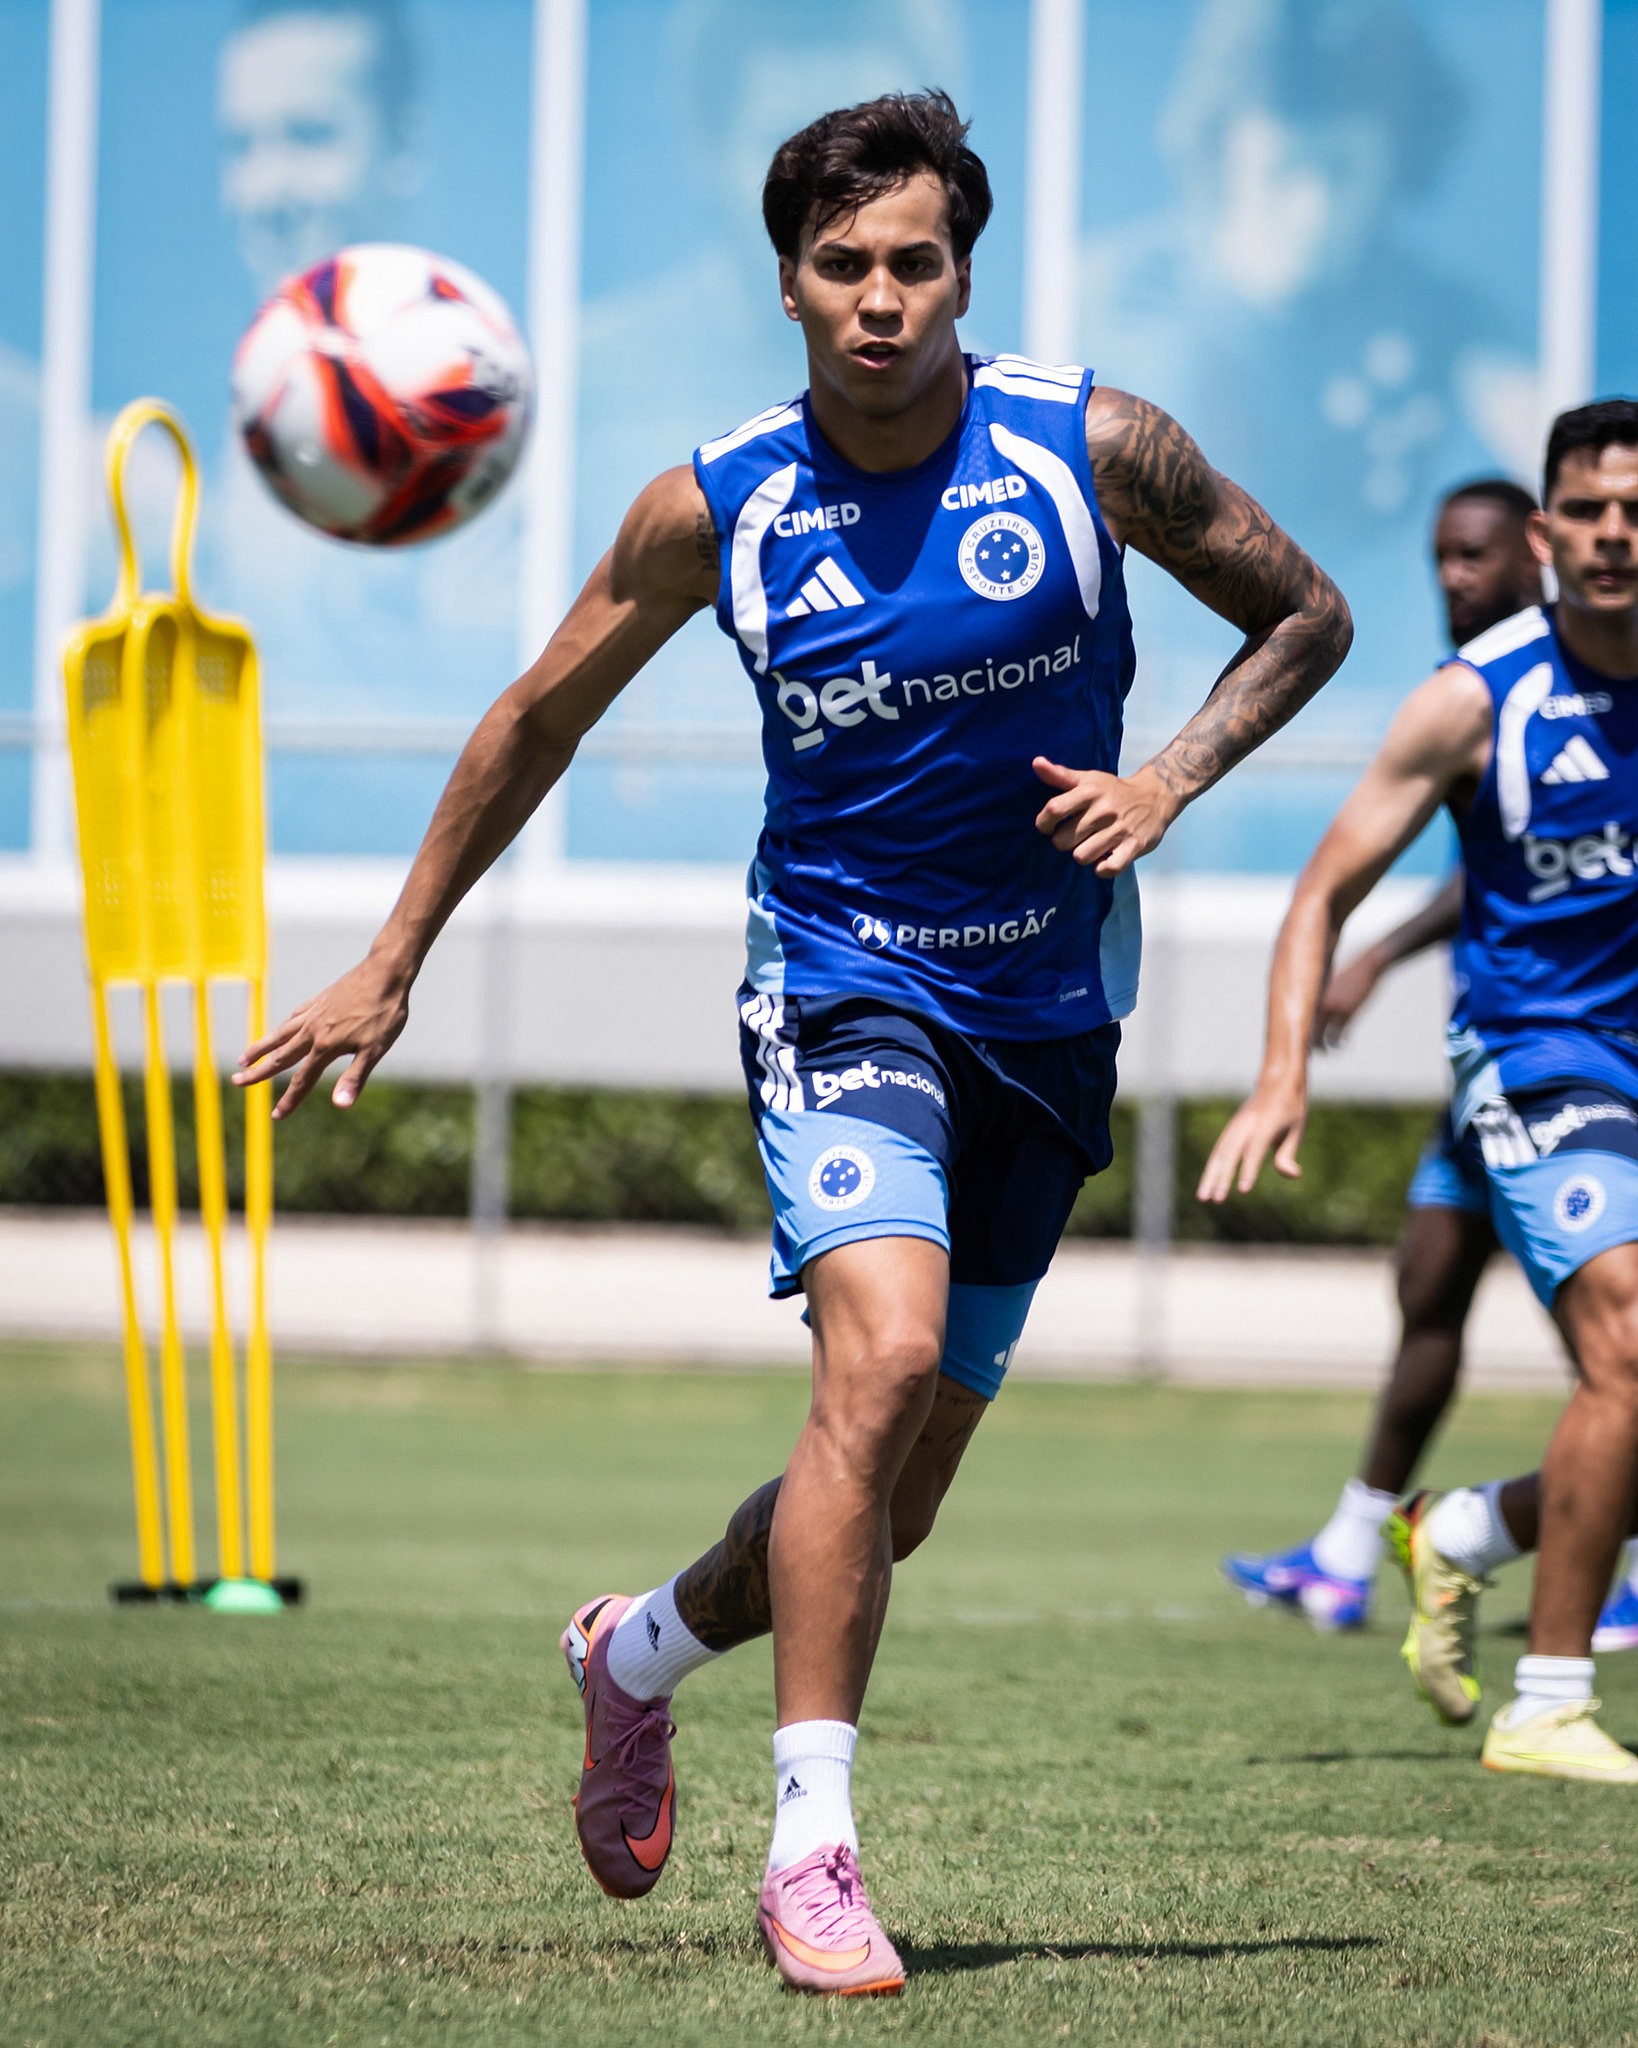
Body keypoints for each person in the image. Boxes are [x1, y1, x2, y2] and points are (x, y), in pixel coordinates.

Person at [235, 94, 1350, 1987]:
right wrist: (393, 953)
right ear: (786, 282)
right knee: (882, 1355)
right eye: (843, 265)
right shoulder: (719, 499)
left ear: (959, 274)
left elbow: (1305, 614)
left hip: (1048, 1003)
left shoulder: (1094, 446)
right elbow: (532, 718)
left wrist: (1166, 776)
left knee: (888, 1481)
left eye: (914, 262)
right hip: (837, 980)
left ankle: (633, 1652)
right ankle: (813, 1850)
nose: (880, 299)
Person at [1200, 399, 1638, 1782]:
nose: (1614, 536)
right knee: (1624, 1343)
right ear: (1545, 532)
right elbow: (1325, 888)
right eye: (1588, 512)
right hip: (1542, 1058)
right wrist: (1280, 1076)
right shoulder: (1476, 699)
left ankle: (1463, 1534)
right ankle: (1546, 1702)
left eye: (1637, 512)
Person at [1220, 480, 1543, 1628]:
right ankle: (1353, 1551)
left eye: (1476, 555)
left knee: (1614, 1340)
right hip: (1497, 1060)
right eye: (1441, 556)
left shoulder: (1569, 684)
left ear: (1536, 553)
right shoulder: (1474, 695)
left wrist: (1378, 954)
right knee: (1429, 1285)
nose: (1453, 576)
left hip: (1593, 1059)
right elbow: (1492, 869)